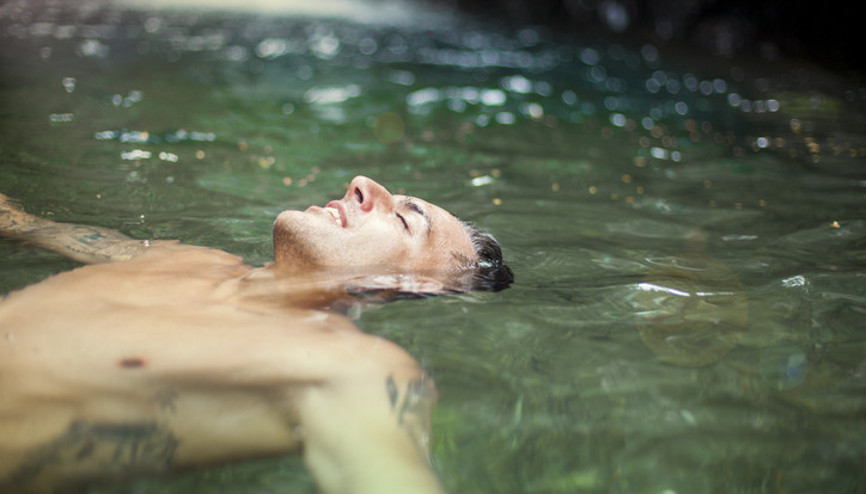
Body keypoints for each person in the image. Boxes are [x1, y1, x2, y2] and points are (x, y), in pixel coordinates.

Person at [0, 176, 512, 494]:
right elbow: (20, 223)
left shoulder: (348, 365)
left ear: (416, 285)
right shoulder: (181, 259)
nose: (362, 183)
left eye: (403, 221)